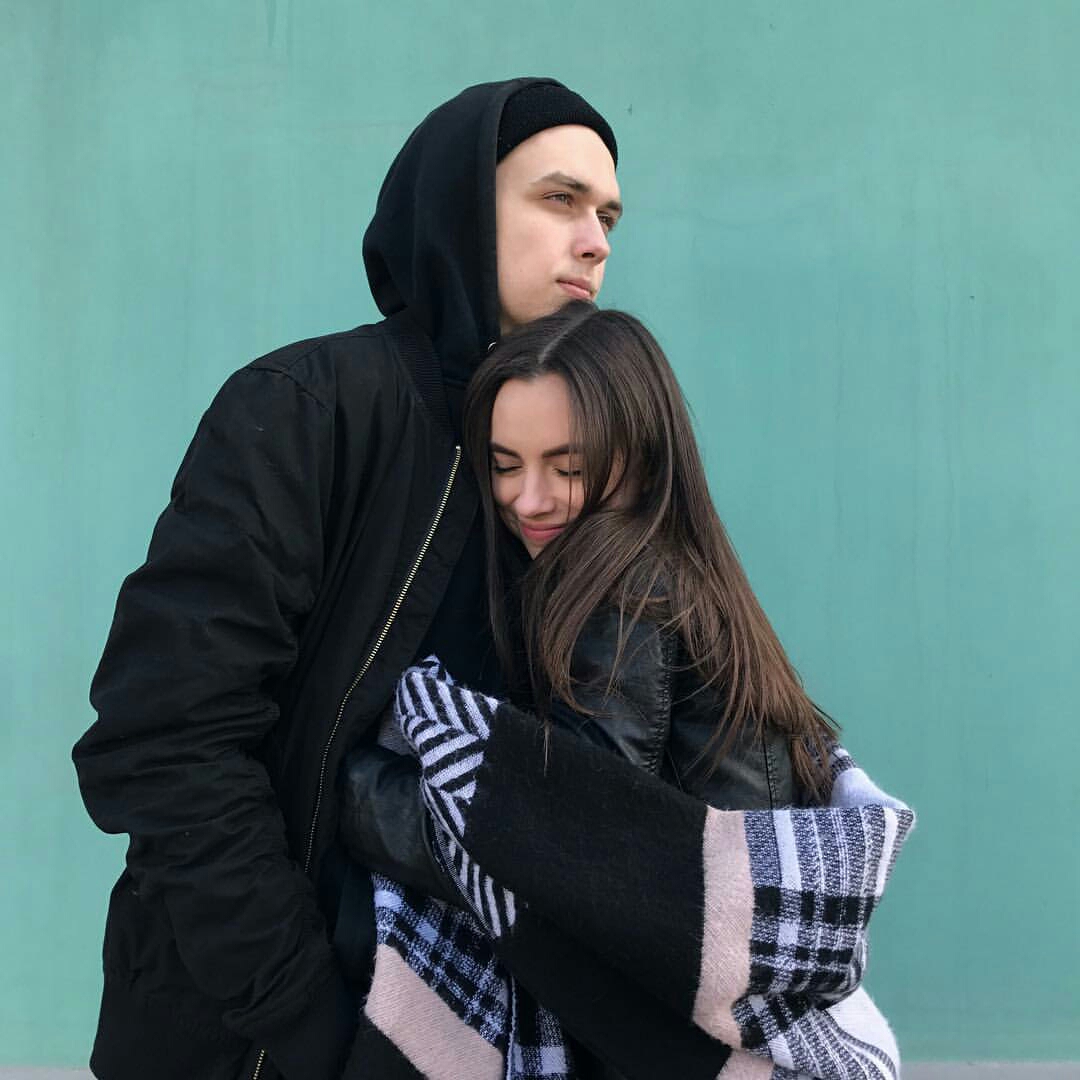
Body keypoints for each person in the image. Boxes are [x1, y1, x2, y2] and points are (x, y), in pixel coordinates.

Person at [72, 79, 621, 1080]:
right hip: (264, 1038)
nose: (594, 242)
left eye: (609, 218)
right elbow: (163, 741)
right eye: (559, 200)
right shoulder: (307, 408)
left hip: (501, 1034)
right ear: (459, 208)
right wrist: (311, 1025)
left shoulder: (583, 464)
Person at [341, 302, 840, 1077]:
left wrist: (347, 782)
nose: (529, 499)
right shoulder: (679, 570)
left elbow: (555, 836)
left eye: (567, 468)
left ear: (641, 457)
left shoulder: (626, 585)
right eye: (505, 465)